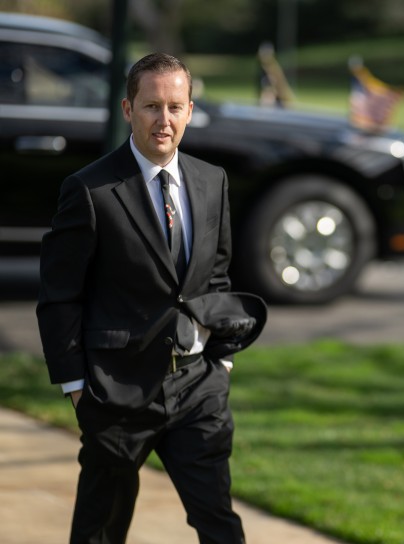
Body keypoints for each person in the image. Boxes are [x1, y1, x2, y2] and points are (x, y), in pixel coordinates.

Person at [37, 53, 266, 543]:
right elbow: (60, 297)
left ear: (190, 111)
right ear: (128, 109)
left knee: (220, 526)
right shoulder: (90, 190)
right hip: (116, 393)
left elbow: (216, 277)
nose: (164, 120)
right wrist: (77, 388)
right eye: (151, 106)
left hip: (199, 388)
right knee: (101, 529)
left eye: (175, 107)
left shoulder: (212, 181)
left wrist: (221, 364)